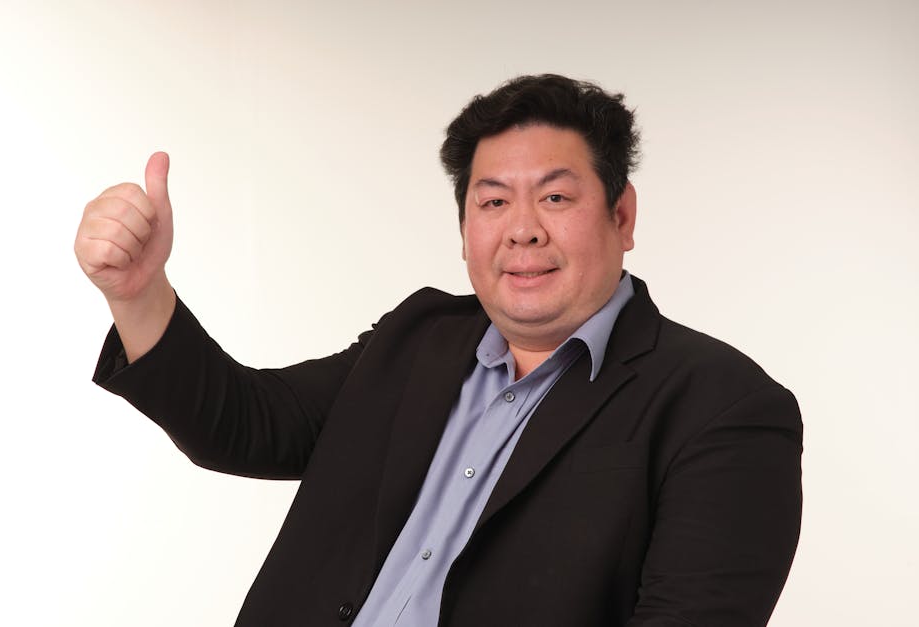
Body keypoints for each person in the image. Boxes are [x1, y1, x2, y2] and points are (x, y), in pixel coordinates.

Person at [75, 74, 803, 626]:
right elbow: (247, 423)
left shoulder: (722, 408)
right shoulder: (418, 337)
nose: (521, 230)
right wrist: (139, 293)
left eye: (554, 198)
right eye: (492, 202)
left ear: (621, 214)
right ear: (465, 233)